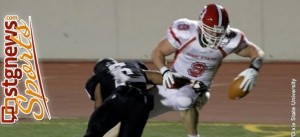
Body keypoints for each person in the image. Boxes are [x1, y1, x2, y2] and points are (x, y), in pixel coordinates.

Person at [151, 3, 265, 137]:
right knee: (133, 109)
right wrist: (164, 71)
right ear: (200, 26)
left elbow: (257, 53)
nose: (216, 34)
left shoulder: (231, 40)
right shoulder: (186, 32)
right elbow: (158, 52)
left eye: (220, 30)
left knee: (184, 100)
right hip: (172, 81)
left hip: (198, 88)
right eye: (211, 29)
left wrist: (253, 69)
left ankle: (193, 135)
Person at [83, 58, 193, 137]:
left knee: (94, 132)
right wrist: (190, 82)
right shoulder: (132, 66)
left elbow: (99, 105)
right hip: (141, 103)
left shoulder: (99, 76)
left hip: (119, 97)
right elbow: (164, 79)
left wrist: (98, 122)